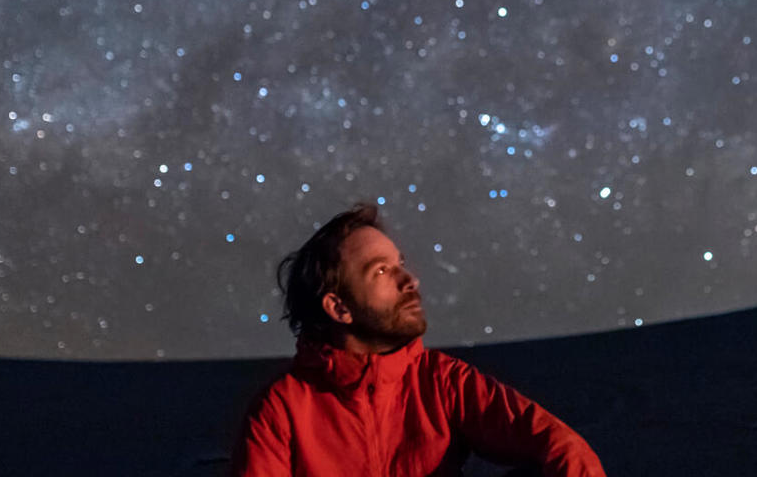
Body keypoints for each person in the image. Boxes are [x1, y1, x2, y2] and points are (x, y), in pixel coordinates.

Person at [232, 202, 605, 476]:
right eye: (381, 270)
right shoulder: (282, 410)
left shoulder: (442, 382)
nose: (410, 281)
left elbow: (563, 447)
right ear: (339, 308)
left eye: (400, 264)